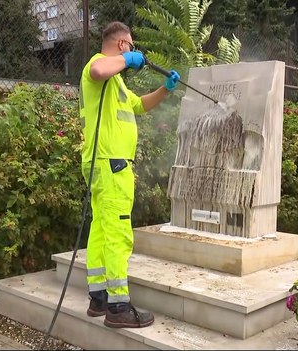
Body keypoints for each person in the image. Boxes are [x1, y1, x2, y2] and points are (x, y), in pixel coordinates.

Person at [79, 21, 180, 329]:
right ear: (122, 45)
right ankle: (118, 305)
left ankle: (98, 299)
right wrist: (128, 60)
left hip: (102, 164)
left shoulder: (117, 84)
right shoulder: (98, 66)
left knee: (100, 230)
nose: (135, 52)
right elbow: (98, 71)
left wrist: (165, 88)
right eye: (132, 47)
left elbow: (138, 106)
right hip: (111, 164)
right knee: (119, 233)